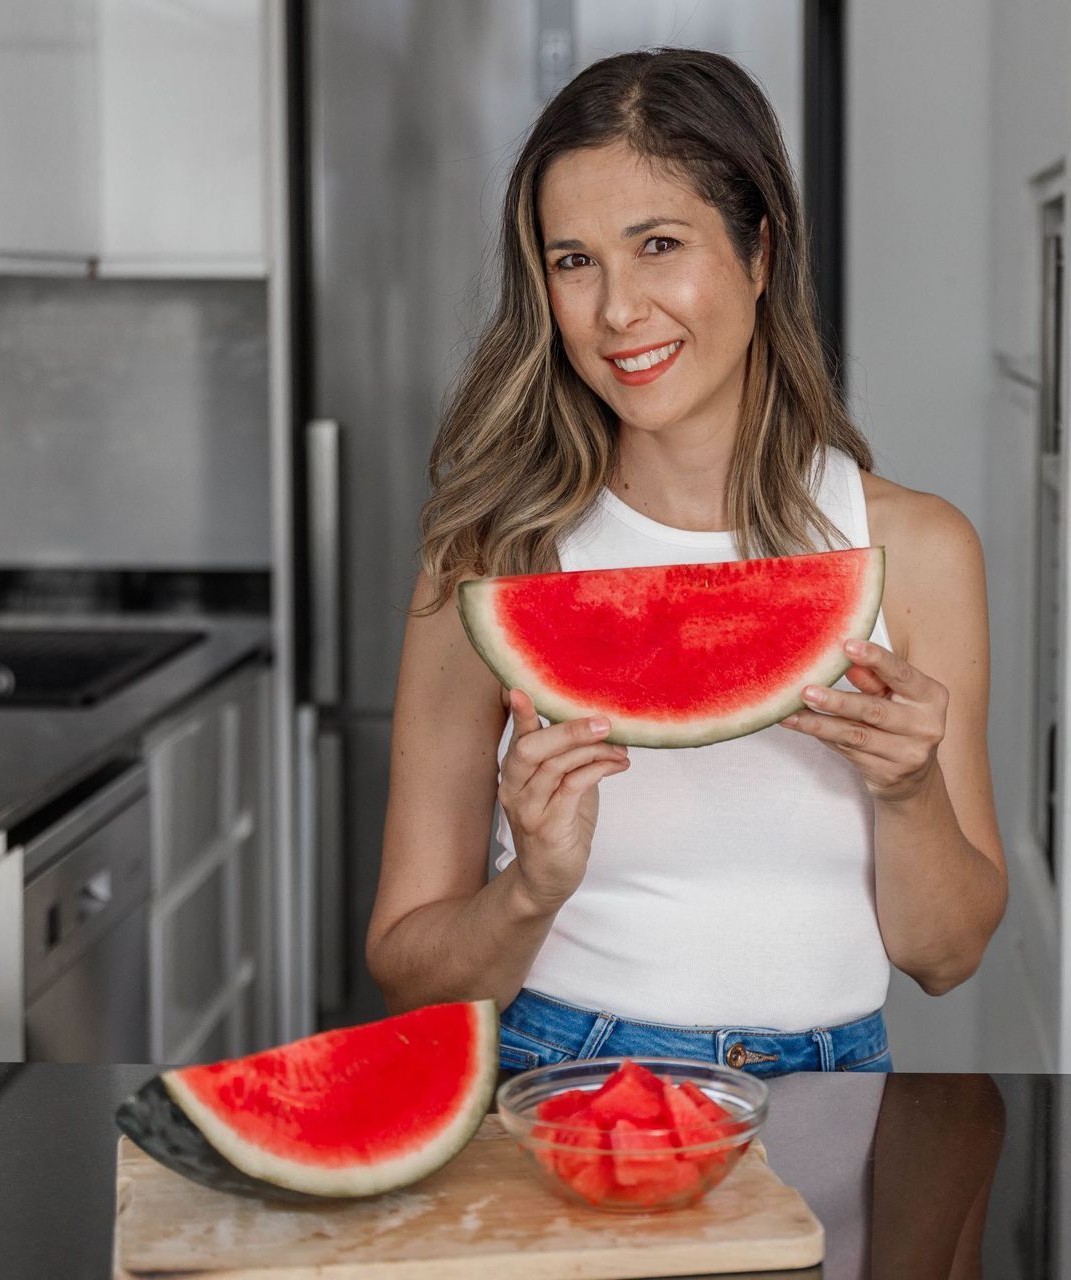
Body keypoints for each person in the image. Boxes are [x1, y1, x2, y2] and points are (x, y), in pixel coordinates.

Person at [366, 48, 1006, 1077]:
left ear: (761, 253)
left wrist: (908, 788)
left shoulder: (917, 550)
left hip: (834, 1087)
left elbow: (947, 953)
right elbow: (408, 973)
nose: (618, 310)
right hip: (564, 1070)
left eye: (657, 244)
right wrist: (531, 883)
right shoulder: (491, 560)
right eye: (573, 260)